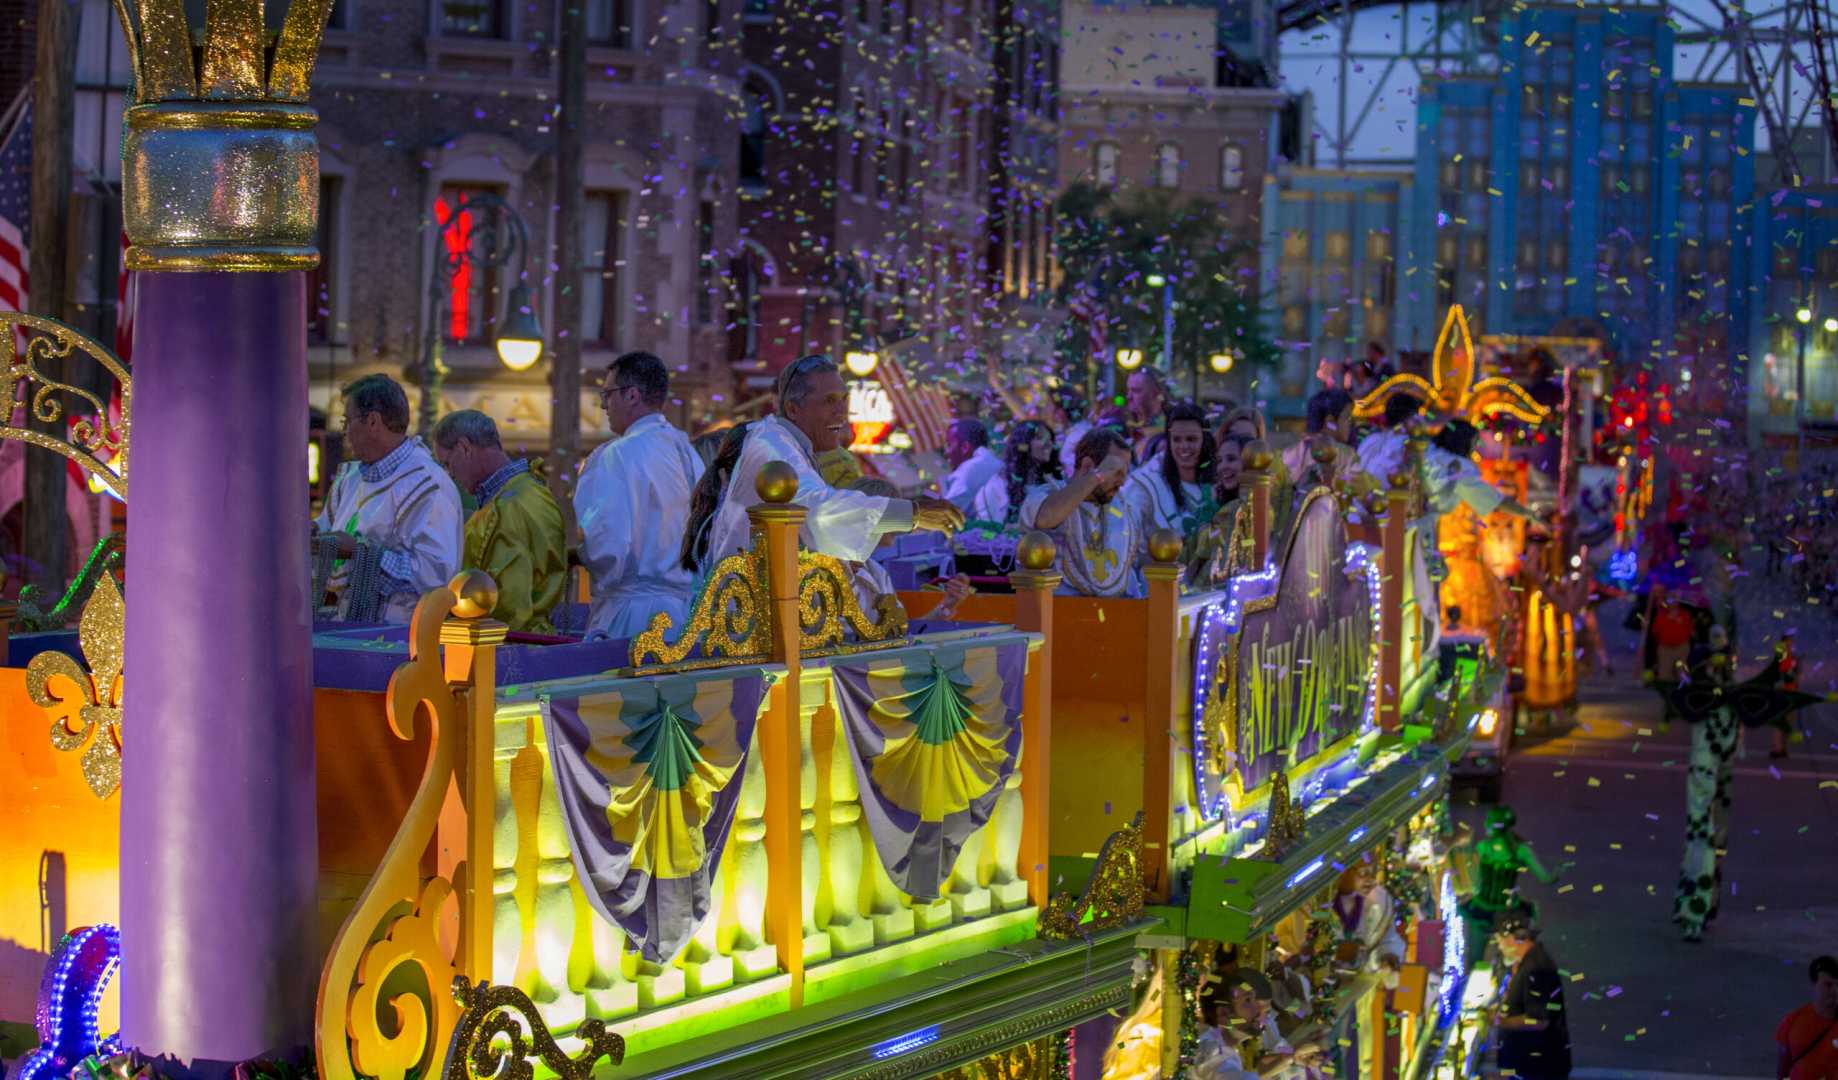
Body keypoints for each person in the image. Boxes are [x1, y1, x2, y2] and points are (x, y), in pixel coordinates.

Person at [702, 354, 963, 571]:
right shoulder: (773, 446)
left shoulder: (788, 444)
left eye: (843, 400)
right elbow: (818, 510)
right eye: (829, 401)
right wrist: (912, 514)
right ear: (793, 409)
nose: (841, 411)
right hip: (748, 613)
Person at [573, 351, 706, 640]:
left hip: (633, 616)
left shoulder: (618, 454)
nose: (604, 405)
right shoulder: (687, 452)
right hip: (685, 617)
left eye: (608, 394)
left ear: (632, 395)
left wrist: (576, 549)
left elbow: (607, 544)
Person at [314, 374, 463, 623]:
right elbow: (328, 530)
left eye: (346, 421)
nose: (344, 432)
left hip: (396, 639)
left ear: (372, 421)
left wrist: (360, 552)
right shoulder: (350, 478)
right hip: (339, 625)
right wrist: (312, 534)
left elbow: (436, 577)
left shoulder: (429, 486)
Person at [431, 410, 567, 633]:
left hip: (509, 647)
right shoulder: (524, 492)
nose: (450, 474)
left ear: (464, 447)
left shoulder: (509, 507)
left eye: (447, 463)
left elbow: (510, 606)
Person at [1020, 427, 1143, 597]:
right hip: (1059, 615)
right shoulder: (1046, 496)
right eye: (1115, 471)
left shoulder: (1124, 510)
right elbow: (1045, 518)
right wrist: (1097, 476)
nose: (1122, 482)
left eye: (1125, 472)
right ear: (1087, 466)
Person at [1491, 913, 1572, 1079]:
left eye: (1500, 940)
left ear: (1514, 938)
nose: (1499, 947)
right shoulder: (1527, 963)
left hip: (1536, 1070)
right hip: (1529, 1067)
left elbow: (1538, 1020)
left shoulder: (1535, 967)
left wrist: (1499, 1021)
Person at [1124, 401, 1216, 545]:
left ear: (1205, 441)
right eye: (1176, 440)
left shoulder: (1218, 481)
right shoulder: (1146, 484)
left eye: (1191, 439)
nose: (1184, 446)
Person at [972, 419, 1060, 525]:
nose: (1049, 443)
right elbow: (989, 531)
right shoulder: (996, 487)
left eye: (1050, 439)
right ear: (1023, 444)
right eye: (1040, 438)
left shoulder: (1054, 480)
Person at [1776, 955, 1838, 1080]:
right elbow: (1783, 1067)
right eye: (1828, 985)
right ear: (1813, 985)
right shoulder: (1792, 1022)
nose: (1835, 991)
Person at [1282, 389, 1355, 485]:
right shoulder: (1345, 454)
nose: (1352, 423)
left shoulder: (1292, 450)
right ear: (1330, 422)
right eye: (1347, 418)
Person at [1355, 393, 1422, 484]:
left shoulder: (1371, 439)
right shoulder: (1406, 444)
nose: (1419, 422)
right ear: (1408, 418)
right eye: (1415, 418)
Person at [940, 418, 1003, 512]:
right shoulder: (997, 463)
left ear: (965, 447)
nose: (946, 452)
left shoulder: (968, 470)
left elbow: (944, 515)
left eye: (949, 445)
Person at [1050, 383, 1094, 478]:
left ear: (1060, 410)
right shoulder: (1066, 432)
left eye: (1047, 405)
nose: (1044, 409)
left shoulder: (1080, 434)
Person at [1126, 368, 1169, 464]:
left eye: (1136, 391)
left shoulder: (1169, 432)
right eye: (1128, 390)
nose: (1129, 396)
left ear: (1157, 393)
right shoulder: (1133, 430)